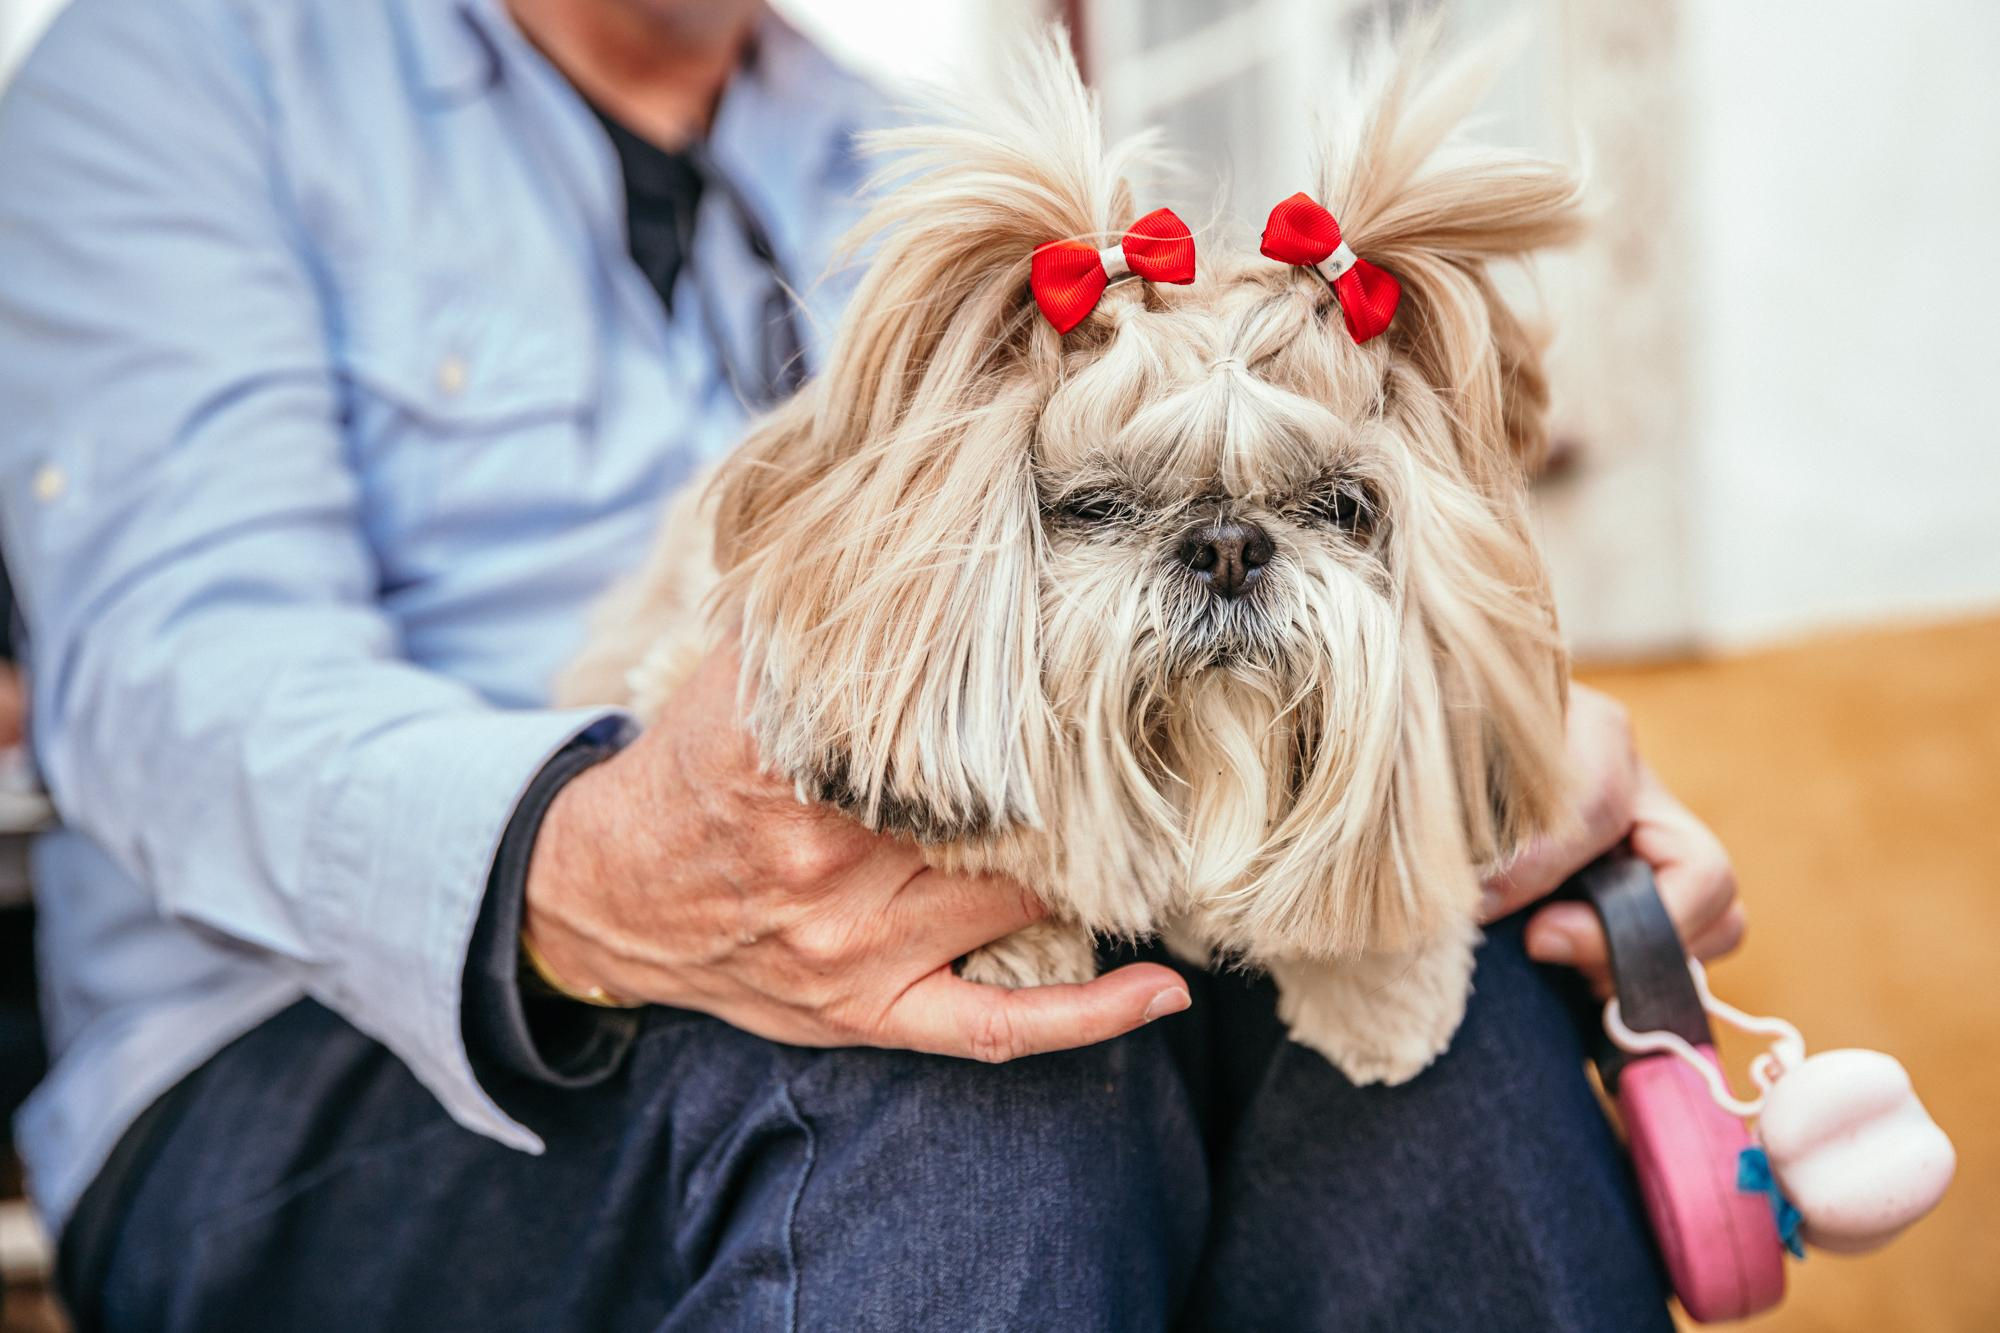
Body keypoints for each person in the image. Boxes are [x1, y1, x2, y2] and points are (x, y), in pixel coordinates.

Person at [0, 1, 1746, 1328]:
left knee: (1436, 1036)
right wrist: (582, 861)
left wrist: (1471, 743)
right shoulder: (173, 77)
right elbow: (171, 676)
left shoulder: (906, 154)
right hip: (288, 1064)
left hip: (921, 930)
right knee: (967, 1080)